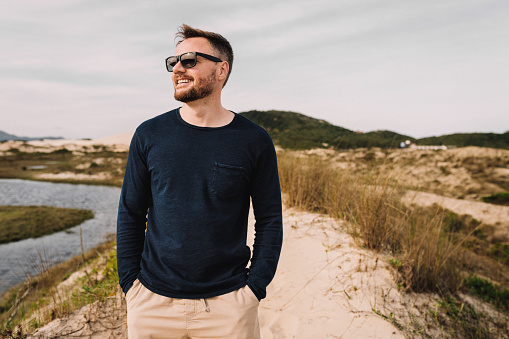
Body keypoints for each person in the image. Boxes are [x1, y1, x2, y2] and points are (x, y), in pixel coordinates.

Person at [117, 24, 283, 339]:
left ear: (222, 70)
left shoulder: (254, 140)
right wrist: (130, 284)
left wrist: (254, 289)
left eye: (190, 60)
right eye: (173, 62)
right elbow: (131, 212)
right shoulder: (149, 135)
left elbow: (270, 219)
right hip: (152, 303)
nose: (177, 69)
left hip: (228, 306)